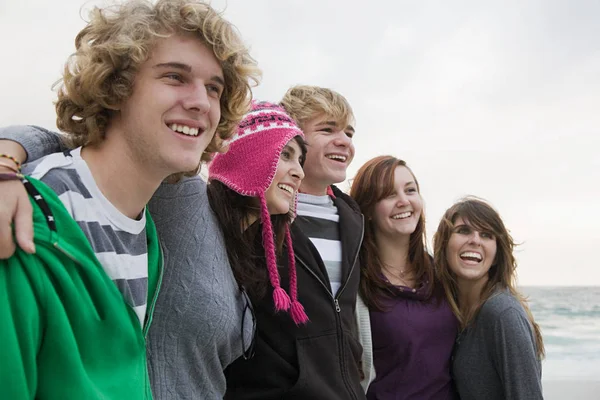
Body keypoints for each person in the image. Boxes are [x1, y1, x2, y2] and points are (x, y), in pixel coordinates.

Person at [0, 0, 260, 398]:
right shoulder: (23, 222)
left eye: (214, 88)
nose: (201, 102)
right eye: (175, 76)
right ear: (115, 88)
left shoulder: (146, 232)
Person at [224, 85, 367, 399]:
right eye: (327, 129)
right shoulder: (254, 214)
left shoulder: (354, 218)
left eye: (350, 133)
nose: (344, 141)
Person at [349, 155, 458, 399]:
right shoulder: (354, 283)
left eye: (410, 190)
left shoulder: (442, 274)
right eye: (388, 194)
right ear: (367, 209)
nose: (403, 201)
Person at [433, 197, 545, 400]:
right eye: (463, 230)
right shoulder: (455, 312)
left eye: (486, 235)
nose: (475, 240)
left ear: (496, 256)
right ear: (444, 243)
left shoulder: (502, 313)